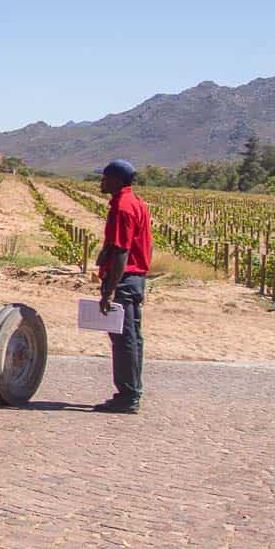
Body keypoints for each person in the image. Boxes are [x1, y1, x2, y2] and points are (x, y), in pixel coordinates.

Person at [93, 158, 153, 414]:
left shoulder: (123, 207)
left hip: (125, 280)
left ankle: (128, 396)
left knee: (124, 339)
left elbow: (122, 250)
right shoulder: (137, 203)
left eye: (105, 178)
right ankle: (132, 391)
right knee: (133, 338)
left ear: (117, 181)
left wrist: (110, 291)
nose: (102, 182)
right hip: (134, 279)